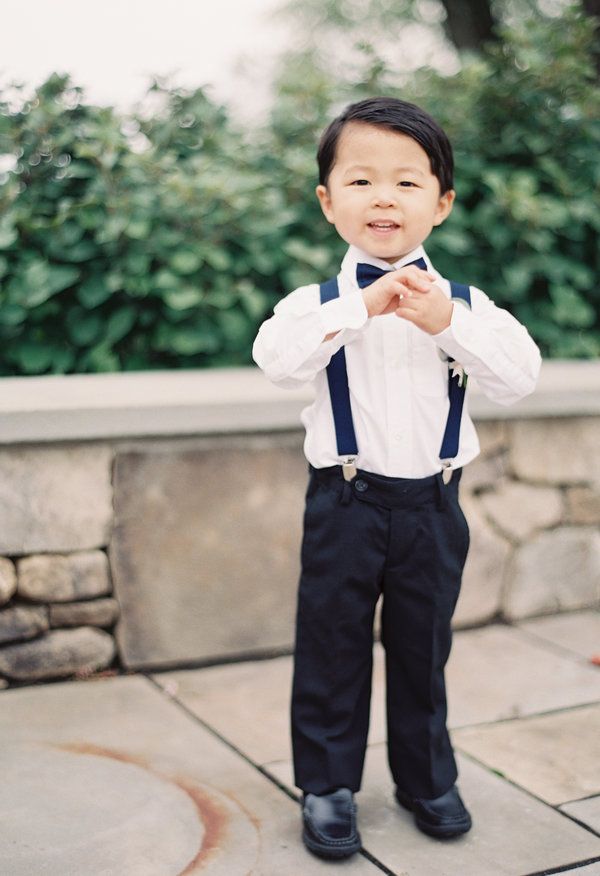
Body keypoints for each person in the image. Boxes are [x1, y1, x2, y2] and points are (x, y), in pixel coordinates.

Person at [252, 96, 541, 860]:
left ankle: (426, 777)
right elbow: (277, 361)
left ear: (441, 204)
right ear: (329, 202)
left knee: (423, 647)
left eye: (408, 183)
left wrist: (445, 321)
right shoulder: (310, 308)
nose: (384, 197)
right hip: (345, 501)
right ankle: (328, 786)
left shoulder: (469, 307)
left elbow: (519, 377)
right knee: (332, 643)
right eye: (362, 181)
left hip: (432, 505)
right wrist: (359, 308)